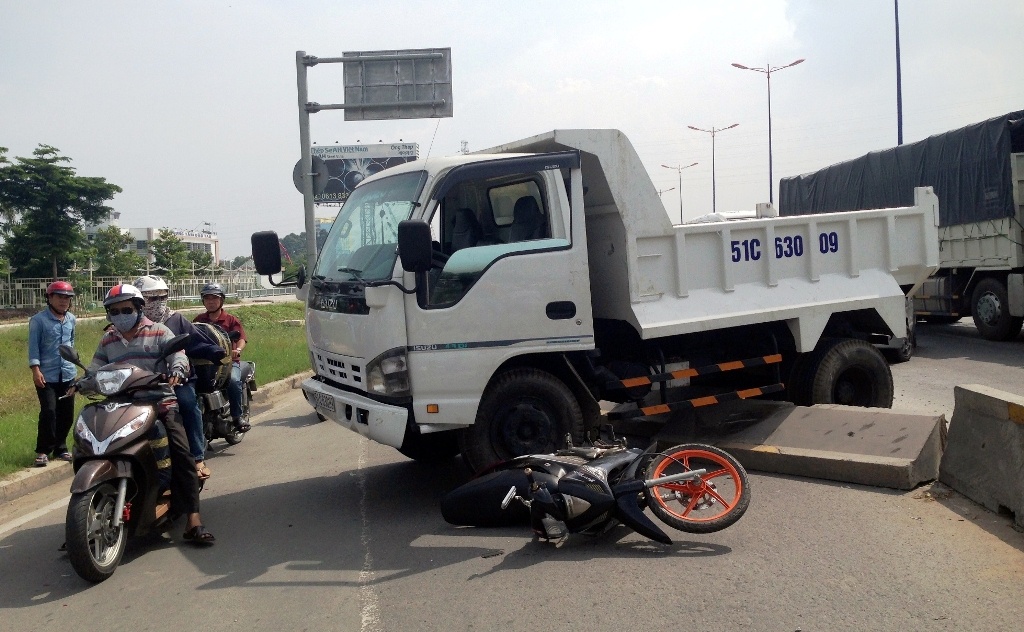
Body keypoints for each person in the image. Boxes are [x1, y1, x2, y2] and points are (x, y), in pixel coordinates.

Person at [89, 283, 215, 545]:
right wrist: (81, 382)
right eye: (114, 311)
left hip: (159, 405)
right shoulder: (108, 339)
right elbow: (95, 368)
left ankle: (193, 519)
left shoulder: (159, 331)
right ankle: (86, 517)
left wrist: (177, 370)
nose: (120, 315)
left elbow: (178, 355)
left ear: (138, 308)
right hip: (121, 407)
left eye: (125, 309)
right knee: (91, 445)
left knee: (182, 454)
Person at [134, 275, 225, 481]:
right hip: (142, 382)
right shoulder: (130, 325)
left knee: (187, 403)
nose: (157, 302)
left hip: (178, 379)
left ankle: (197, 456)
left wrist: (214, 352)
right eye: (150, 298)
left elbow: (195, 342)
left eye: (161, 297)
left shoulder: (176, 319)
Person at [28, 281, 77, 467]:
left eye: (67, 298)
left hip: (67, 374)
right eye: (60, 297)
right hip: (45, 375)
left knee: (66, 413)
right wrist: (35, 370)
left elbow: (71, 344)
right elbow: (33, 348)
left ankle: (61, 447)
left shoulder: (71, 319)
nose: (64, 301)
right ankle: (43, 450)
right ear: (49, 298)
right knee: (49, 411)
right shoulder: (38, 321)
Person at [193, 282, 250, 432]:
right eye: (207, 298)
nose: (211, 302)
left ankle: (237, 417)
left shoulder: (230, 320)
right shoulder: (198, 320)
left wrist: (237, 349)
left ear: (222, 300)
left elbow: (241, 338)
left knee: (233, 381)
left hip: (228, 362)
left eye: (214, 298)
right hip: (205, 364)